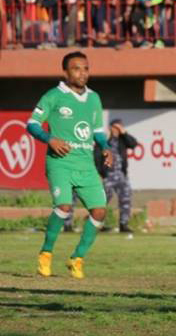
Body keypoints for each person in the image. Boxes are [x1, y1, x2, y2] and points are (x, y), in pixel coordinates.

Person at [29, 52, 114, 279]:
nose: (82, 73)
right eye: (76, 69)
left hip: (86, 165)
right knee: (64, 207)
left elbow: (96, 130)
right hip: (60, 164)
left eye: (86, 68)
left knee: (99, 211)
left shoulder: (94, 98)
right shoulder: (54, 96)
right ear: (65, 72)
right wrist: (50, 139)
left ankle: (77, 258)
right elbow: (32, 124)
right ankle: (45, 255)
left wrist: (105, 146)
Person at [101, 119, 138, 233]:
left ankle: (123, 224)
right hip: (108, 175)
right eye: (115, 127)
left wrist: (124, 132)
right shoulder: (104, 140)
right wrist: (101, 173)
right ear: (110, 128)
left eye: (119, 128)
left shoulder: (123, 140)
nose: (116, 130)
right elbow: (97, 156)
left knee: (125, 198)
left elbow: (133, 144)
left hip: (121, 175)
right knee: (102, 200)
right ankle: (99, 224)